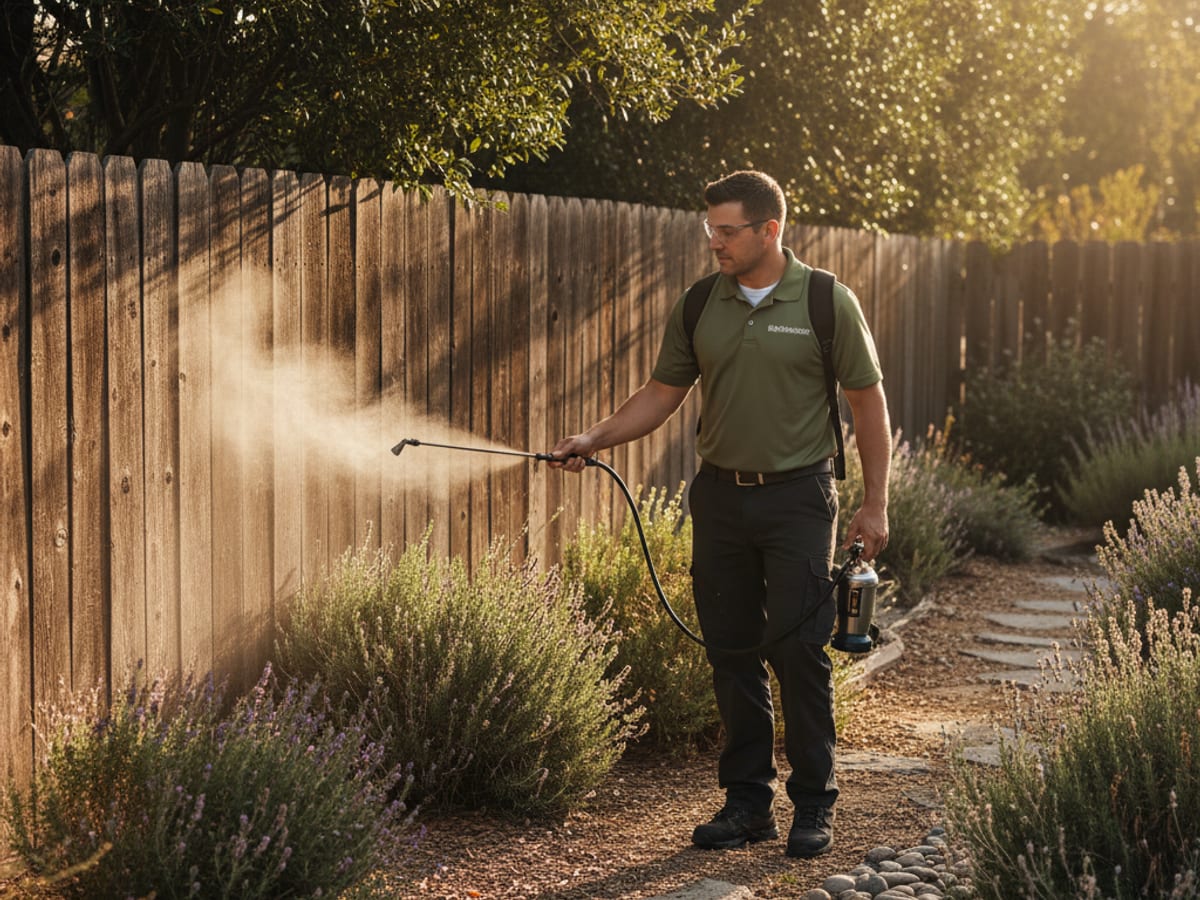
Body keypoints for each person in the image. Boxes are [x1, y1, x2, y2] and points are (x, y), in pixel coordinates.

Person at [551, 170, 890, 859]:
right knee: (730, 648)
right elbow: (661, 393)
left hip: (800, 496)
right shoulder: (702, 302)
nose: (714, 242)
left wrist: (876, 503)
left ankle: (814, 804)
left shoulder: (826, 301)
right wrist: (594, 437)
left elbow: (867, 403)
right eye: (709, 229)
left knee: (797, 649)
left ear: (770, 230)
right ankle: (747, 804)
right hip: (719, 497)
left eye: (726, 230)